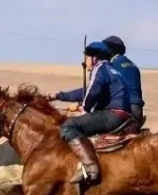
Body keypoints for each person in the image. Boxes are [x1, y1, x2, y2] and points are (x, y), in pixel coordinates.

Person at [49, 41, 132, 184]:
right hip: (123, 114)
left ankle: (90, 168)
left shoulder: (99, 69)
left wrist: (85, 110)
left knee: (68, 126)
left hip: (112, 115)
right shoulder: (111, 69)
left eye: (86, 57)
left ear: (94, 57)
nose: (85, 61)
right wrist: (58, 96)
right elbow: (86, 91)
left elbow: (92, 93)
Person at [101, 35, 144, 123]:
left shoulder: (111, 66)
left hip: (122, 111)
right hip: (138, 112)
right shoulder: (133, 65)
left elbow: (100, 90)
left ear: (109, 51)